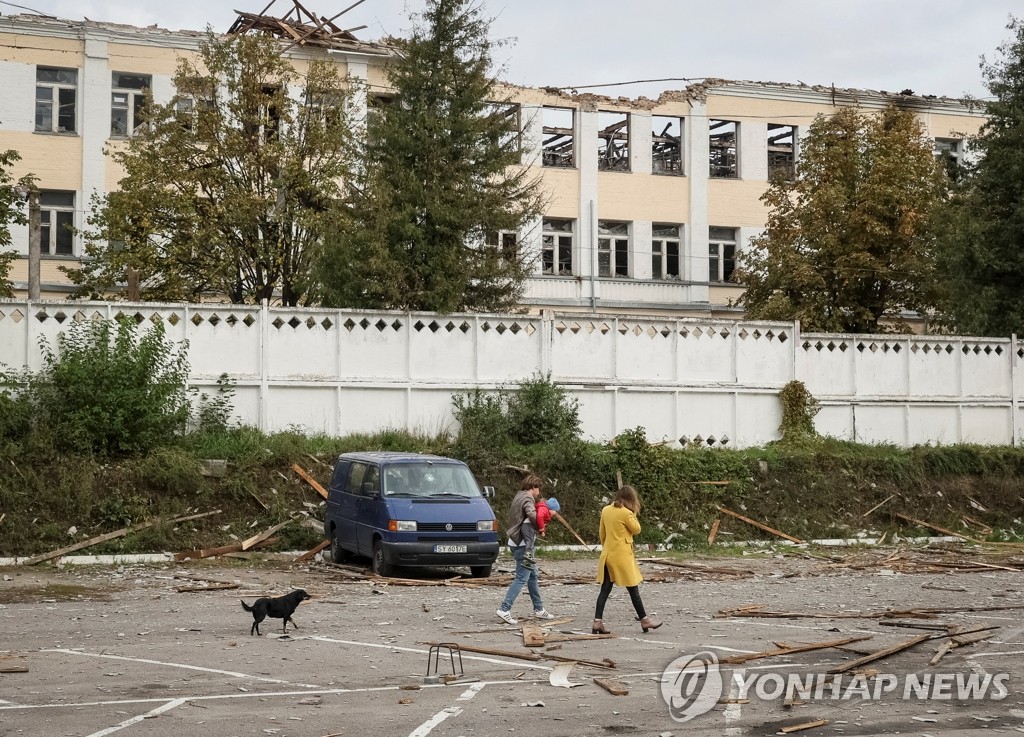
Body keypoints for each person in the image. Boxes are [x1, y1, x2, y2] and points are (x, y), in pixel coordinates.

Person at [592, 485, 663, 634]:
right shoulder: (626, 513)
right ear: (631, 499)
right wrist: (633, 513)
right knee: (633, 588)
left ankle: (597, 622)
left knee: (605, 590)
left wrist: (607, 548)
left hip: (607, 555)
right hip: (622, 556)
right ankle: (645, 620)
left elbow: (602, 533)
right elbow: (637, 529)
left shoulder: (606, 510)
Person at [496, 475, 554, 624]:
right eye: (538, 488)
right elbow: (531, 513)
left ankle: (539, 609)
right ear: (533, 487)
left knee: (533, 574)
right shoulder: (528, 500)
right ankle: (504, 609)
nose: (539, 492)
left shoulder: (518, 496)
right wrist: (544, 518)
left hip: (516, 542)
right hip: (523, 546)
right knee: (522, 577)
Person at [521, 494, 553, 569]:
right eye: (555, 510)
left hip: (529, 525)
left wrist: (542, 530)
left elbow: (540, 521)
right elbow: (539, 517)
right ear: (551, 508)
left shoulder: (544, 509)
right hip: (528, 525)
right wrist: (542, 528)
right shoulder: (544, 508)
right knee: (529, 541)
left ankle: (529, 559)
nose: (555, 513)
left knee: (531, 542)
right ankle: (527, 559)